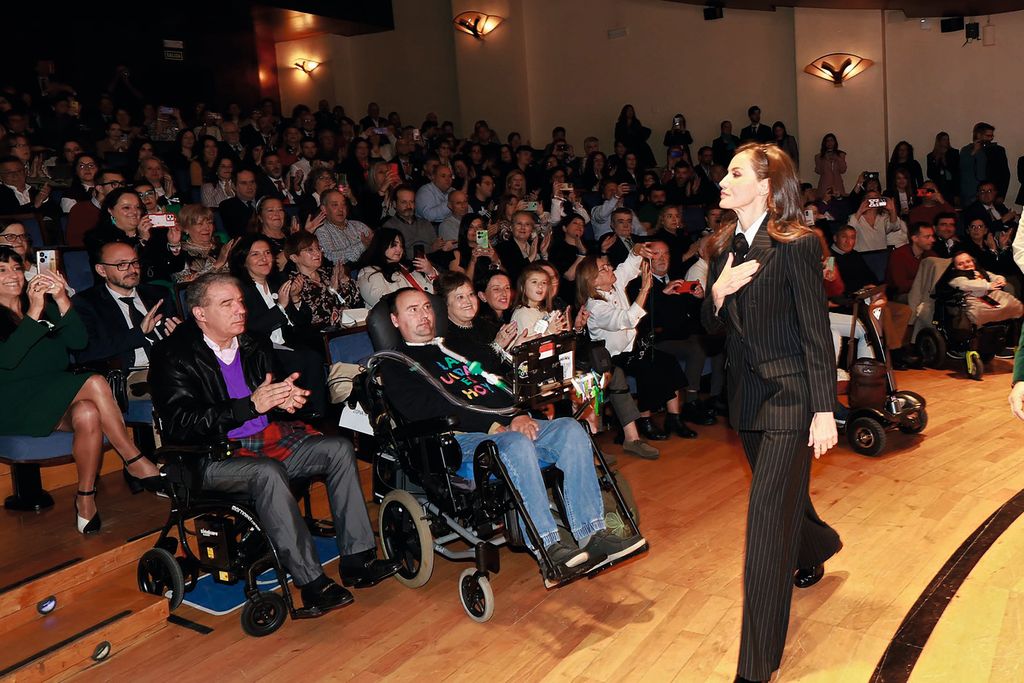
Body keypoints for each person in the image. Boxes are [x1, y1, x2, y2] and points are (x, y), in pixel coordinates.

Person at [149, 272, 398, 614]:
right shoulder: (173, 355)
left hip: (264, 439)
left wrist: (286, 399)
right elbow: (182, 423)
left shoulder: (254, 343)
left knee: (338, 448)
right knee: (266, 472)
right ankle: (311, 583)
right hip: (209, 455)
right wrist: (250, 406)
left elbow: (270, 395)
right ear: (200, 314)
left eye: (239, 301)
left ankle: (358, 560)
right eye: (227, 304)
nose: (240, 309)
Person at [380, 288, 646, 580]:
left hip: (507, 425)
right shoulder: (395, 364)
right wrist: (495, 426)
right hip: (458, 439)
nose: (424, 315)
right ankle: (550, 546)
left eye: (426, 307)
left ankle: (593, 533)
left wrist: (519, 413)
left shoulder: (453, 349)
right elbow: (427, 410)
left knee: (571, 429)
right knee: (516, 443)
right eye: (412, 310)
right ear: (394, 320)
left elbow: (498, 384)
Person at [701, 143, 842, 683]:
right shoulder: (722, 245)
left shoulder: (797, 244)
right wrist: (717, 293)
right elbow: (711, 331)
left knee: (763, 525)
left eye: (734, 174)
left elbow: (815, 332)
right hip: (746, 401)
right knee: (782, 496)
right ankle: (818, 544)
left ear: (765, 185)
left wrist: (824, 408)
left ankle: (755, 670)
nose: (722, 181)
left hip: (789, 397)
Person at [0, 247, 162, 533]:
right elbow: (9, 360)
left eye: (16, 268)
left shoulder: (44, 304)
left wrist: (62, 300)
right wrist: (34, 312)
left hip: (52, 393)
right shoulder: (31, 308)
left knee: (87, 412)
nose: (13, 275)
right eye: (2, 270)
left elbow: (77, 342)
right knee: (94, 381)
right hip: (14, 402)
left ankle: (85, 498)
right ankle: (133, 458)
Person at [577, 246, 697, 440]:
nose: (610, 269)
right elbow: (627, 319)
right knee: (647, 366)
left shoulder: (612, 285)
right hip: (612, 358)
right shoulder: (595, 306)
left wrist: (635, 251)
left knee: (667, 360)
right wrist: (644, 290)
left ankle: (674, 417)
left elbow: (627, 267)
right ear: (593, 280)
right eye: (604, 269)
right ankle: (644, 420)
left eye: (608, 265)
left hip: (631, 349)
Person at [228, 235, 327, 416]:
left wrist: (296, 299)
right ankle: (305, 413)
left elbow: (303, 321)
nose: (264, 259)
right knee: (304, 358)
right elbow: (250, 328)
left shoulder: (278, 281)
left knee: (315, 348)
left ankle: (317, 412)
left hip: (288, 341)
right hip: (258, 348)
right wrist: (281, 306)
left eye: (267, 253)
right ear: (244, 261)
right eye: (255, 254)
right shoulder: (239, 290)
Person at [72, 241, 180, 369]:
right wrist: (139, 333)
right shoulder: (87, 302)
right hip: (134, 374)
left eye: (135, 262)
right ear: (102, 270)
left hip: (175, 367)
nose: (133, 270)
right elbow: (86, 354)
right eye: (122, 264)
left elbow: (179, 336)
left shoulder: (158, 294)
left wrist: (181, 334)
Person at [284, 231, 362, 329]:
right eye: (310, 250)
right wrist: (333, 291)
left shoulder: (328, 273)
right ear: (294, 257)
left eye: (318, 248)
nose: (318, 253)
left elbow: (356, 304)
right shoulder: (293, 284)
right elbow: (315, 318)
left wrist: (344, 280)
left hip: (349, 329)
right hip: (322, 337)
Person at [936, 251, 1024, 328]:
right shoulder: (955, 277)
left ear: (973, 262)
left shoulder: (980, 271)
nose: (966, 265)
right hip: (973, 300)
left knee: (1012, 303)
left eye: (968, 261)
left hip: (989, 297)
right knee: (980, 312)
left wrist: (1000, 280)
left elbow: (993, 276)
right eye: (960, 264)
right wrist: (987, 285)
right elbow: (965, 284)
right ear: (954, 267)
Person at [355, 228, 435, 308]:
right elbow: (381, 301)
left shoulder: (407, 267)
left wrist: (431, 272)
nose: (399, 249)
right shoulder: (368, 272)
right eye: (394, 245)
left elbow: (436, 292)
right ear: (381, 245)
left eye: (401, 246)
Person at [311, 189, 372, 269]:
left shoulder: (359, 225)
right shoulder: (321, 230)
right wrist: (362, 245)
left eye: (343, 204)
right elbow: (330, 257)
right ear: (324, 209)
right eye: (335, 205)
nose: (341, 209)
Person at [886, 222, 937, 302]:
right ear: (915, 238)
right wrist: (926, 282)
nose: (933, 240)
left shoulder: (930, 254)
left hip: (924, 291)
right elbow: (901, 286)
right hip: (901, 295)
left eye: (932, 236)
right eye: (927, 237)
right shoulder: (899, 255)